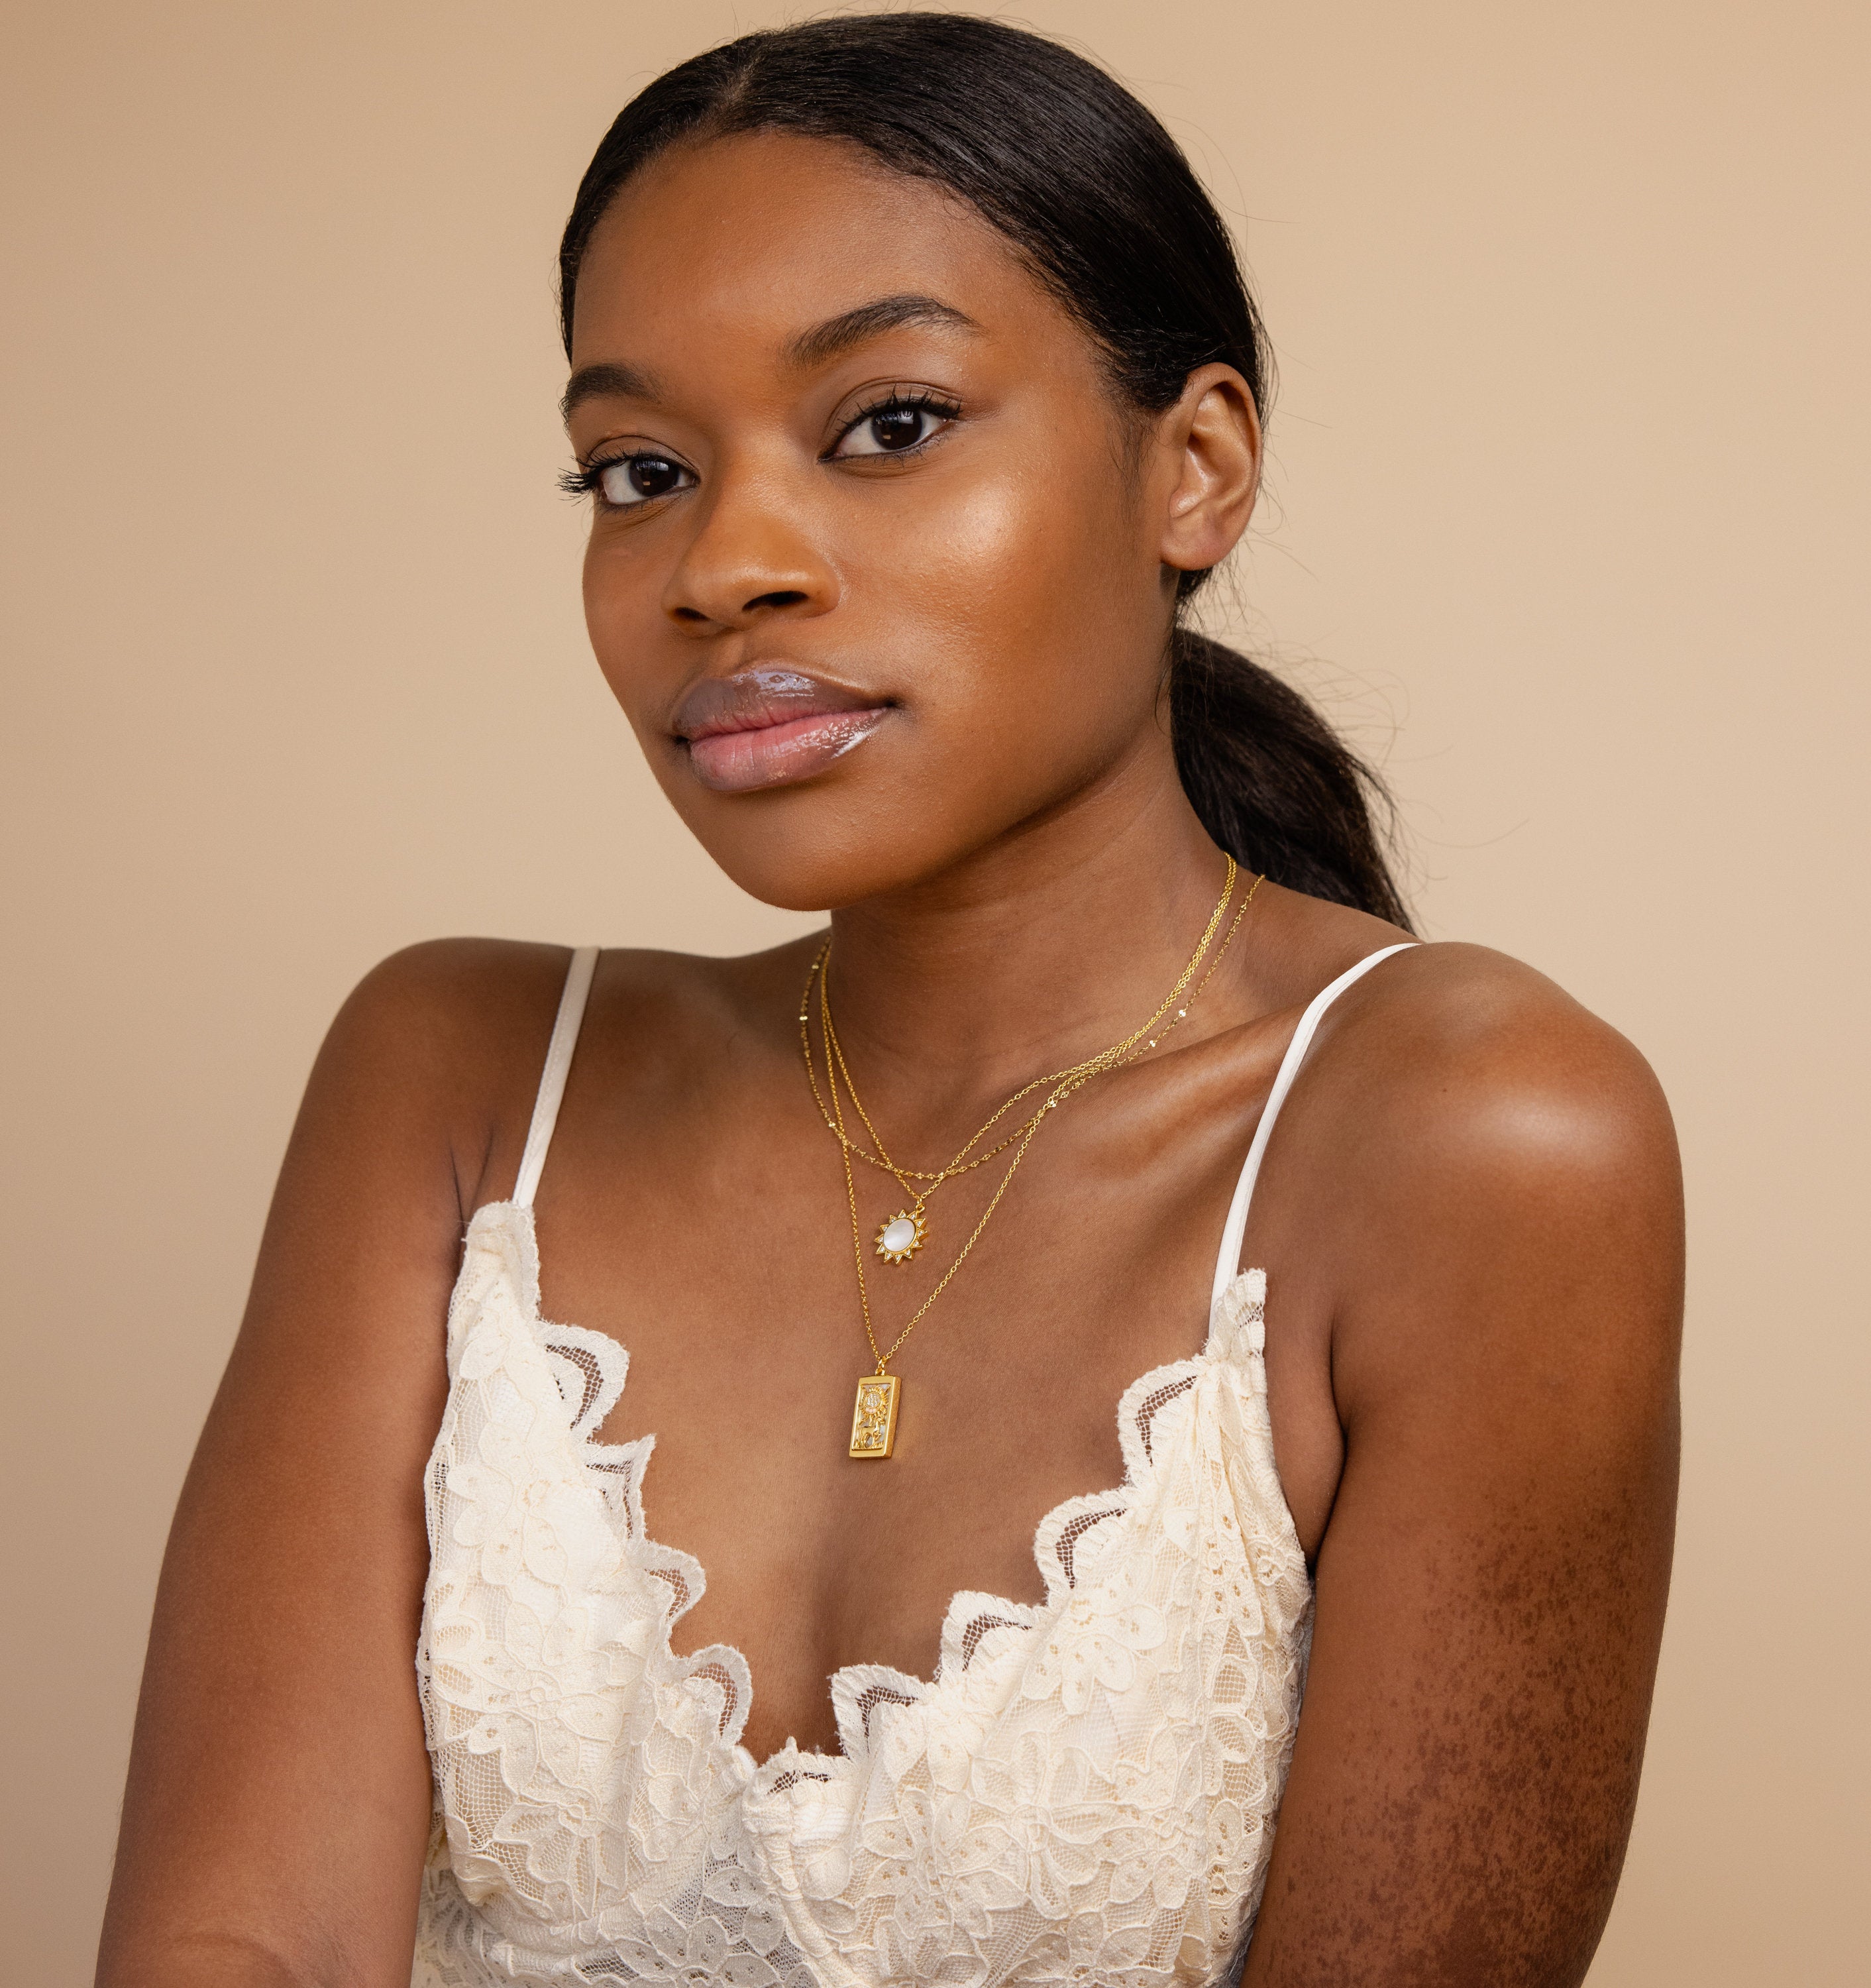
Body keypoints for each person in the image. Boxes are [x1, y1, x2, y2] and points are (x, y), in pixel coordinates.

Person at [97, 16, 1682, 1986]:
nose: (724, 565)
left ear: (1194, 469)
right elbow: (236, 1943)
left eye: (891, 423)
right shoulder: (456, 1086)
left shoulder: (1479, 1142)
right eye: (640, 469)